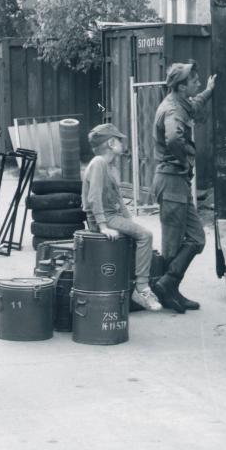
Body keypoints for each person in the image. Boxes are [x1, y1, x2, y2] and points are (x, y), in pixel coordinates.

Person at [150, 61, 216, 314]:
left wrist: (208, 91)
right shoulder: (172, 110)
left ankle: (169, 285)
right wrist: (184, 160)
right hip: (171, 181)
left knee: (197, 238)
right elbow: (174, 138)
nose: (197, 83)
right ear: (181, 86)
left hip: (176, 182)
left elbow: (194, 104)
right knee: (172, 245)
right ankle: (167, 290)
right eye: (194, 81)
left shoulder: (180, 103)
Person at [81, 123, 162, 312]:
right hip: (104, 218)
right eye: (118, 139)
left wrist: (130, 223)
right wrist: (102, 226)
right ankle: (141, 288)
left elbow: (118, 199)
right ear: (110, 143)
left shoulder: (110, 166)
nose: (121, 143)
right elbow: (93, 198)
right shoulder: (99, 163)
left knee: (139, 233)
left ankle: (135, 285)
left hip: (112, 215)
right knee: (146, 235)